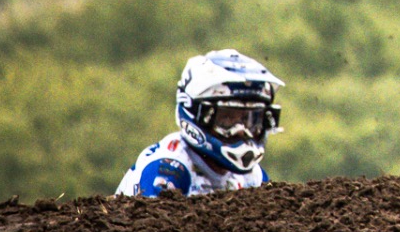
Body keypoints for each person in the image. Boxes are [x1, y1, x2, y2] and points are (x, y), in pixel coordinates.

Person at [116, 48, 283, 197]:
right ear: (198, 114)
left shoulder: (252, 176)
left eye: (251, 120)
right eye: (228, 118)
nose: (242, 131)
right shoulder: (168, 170)